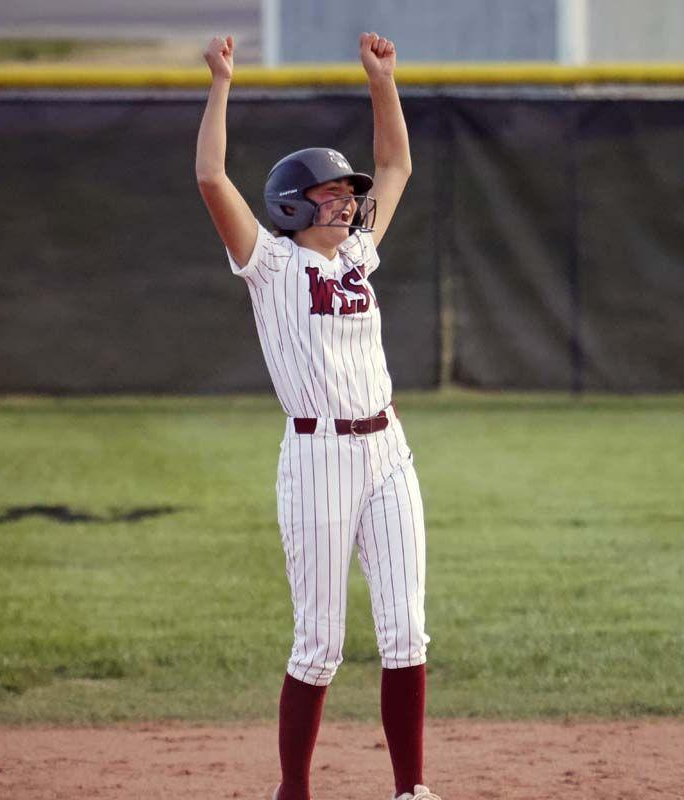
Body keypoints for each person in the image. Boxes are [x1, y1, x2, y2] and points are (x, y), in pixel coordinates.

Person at [195, 31, 441, 800]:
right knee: (320, 644)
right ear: (293, 207)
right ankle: (293, 792)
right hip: (317, 458)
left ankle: (410, 792)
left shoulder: (357, 255)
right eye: (334, 195)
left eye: (347, 194)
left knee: (406, 631)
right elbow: (209, 175)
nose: (348, 201)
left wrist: (383, 81)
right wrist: (221, 82)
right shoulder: (270, 265)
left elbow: (396, 164)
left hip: (387, 449)